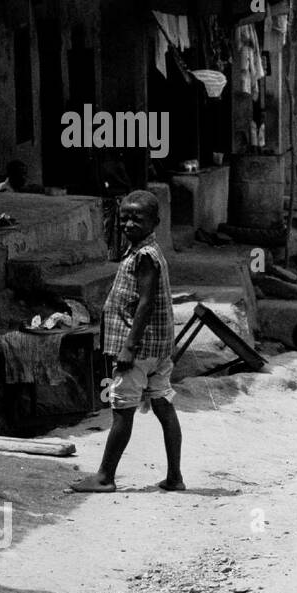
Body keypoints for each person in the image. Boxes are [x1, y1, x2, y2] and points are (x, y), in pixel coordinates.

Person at [72, 190, 184, 493]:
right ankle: (174, 476)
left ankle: (105, 476)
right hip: (158, 348)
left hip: (139, 349)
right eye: (124, 217)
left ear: (155, 222)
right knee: (163, 404)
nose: (129, 223)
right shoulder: (144, 251)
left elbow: (145, 303)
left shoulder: (145, 256)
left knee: (122, 409)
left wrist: (129, 347)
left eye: (138, 218)